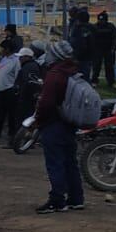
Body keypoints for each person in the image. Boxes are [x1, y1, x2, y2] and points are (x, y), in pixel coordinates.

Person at [32, 39, 83, 213]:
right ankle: (76, 199)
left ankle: (57, 200)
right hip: (69, 122)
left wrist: (38, 119)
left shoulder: (54, 74)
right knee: (70, 162)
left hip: (53, 123)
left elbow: (46, 103)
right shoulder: (72, 71)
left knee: (55, 163)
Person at [0, 43, 20, 141]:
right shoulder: (3, 59)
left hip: (10, 89)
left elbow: (17, 75)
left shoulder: (16, 60)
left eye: (3, 48)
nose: (1, 50)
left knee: (11, 113)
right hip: (0, 89)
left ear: (8, 49)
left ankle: (12, 133)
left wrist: (15, 87)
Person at [68, 9, 97, 84]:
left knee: (80, 78)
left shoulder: (79, 28)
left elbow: (79, 44)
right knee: (86, 76)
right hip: (90, 56)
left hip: (80, 58)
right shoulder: (92, 27)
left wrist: (75, 56)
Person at [93, 12, 116, 88]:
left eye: (103, 20)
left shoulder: (111, 27)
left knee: (109, 66)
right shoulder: (94, 27)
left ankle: (111, 82)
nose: (101, 21)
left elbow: (115, 38)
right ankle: (94, 81)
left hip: (108, 49)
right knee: (96, 66)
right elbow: (92, 38)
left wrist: (113, 48)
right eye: (100, 20)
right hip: (97, 49)